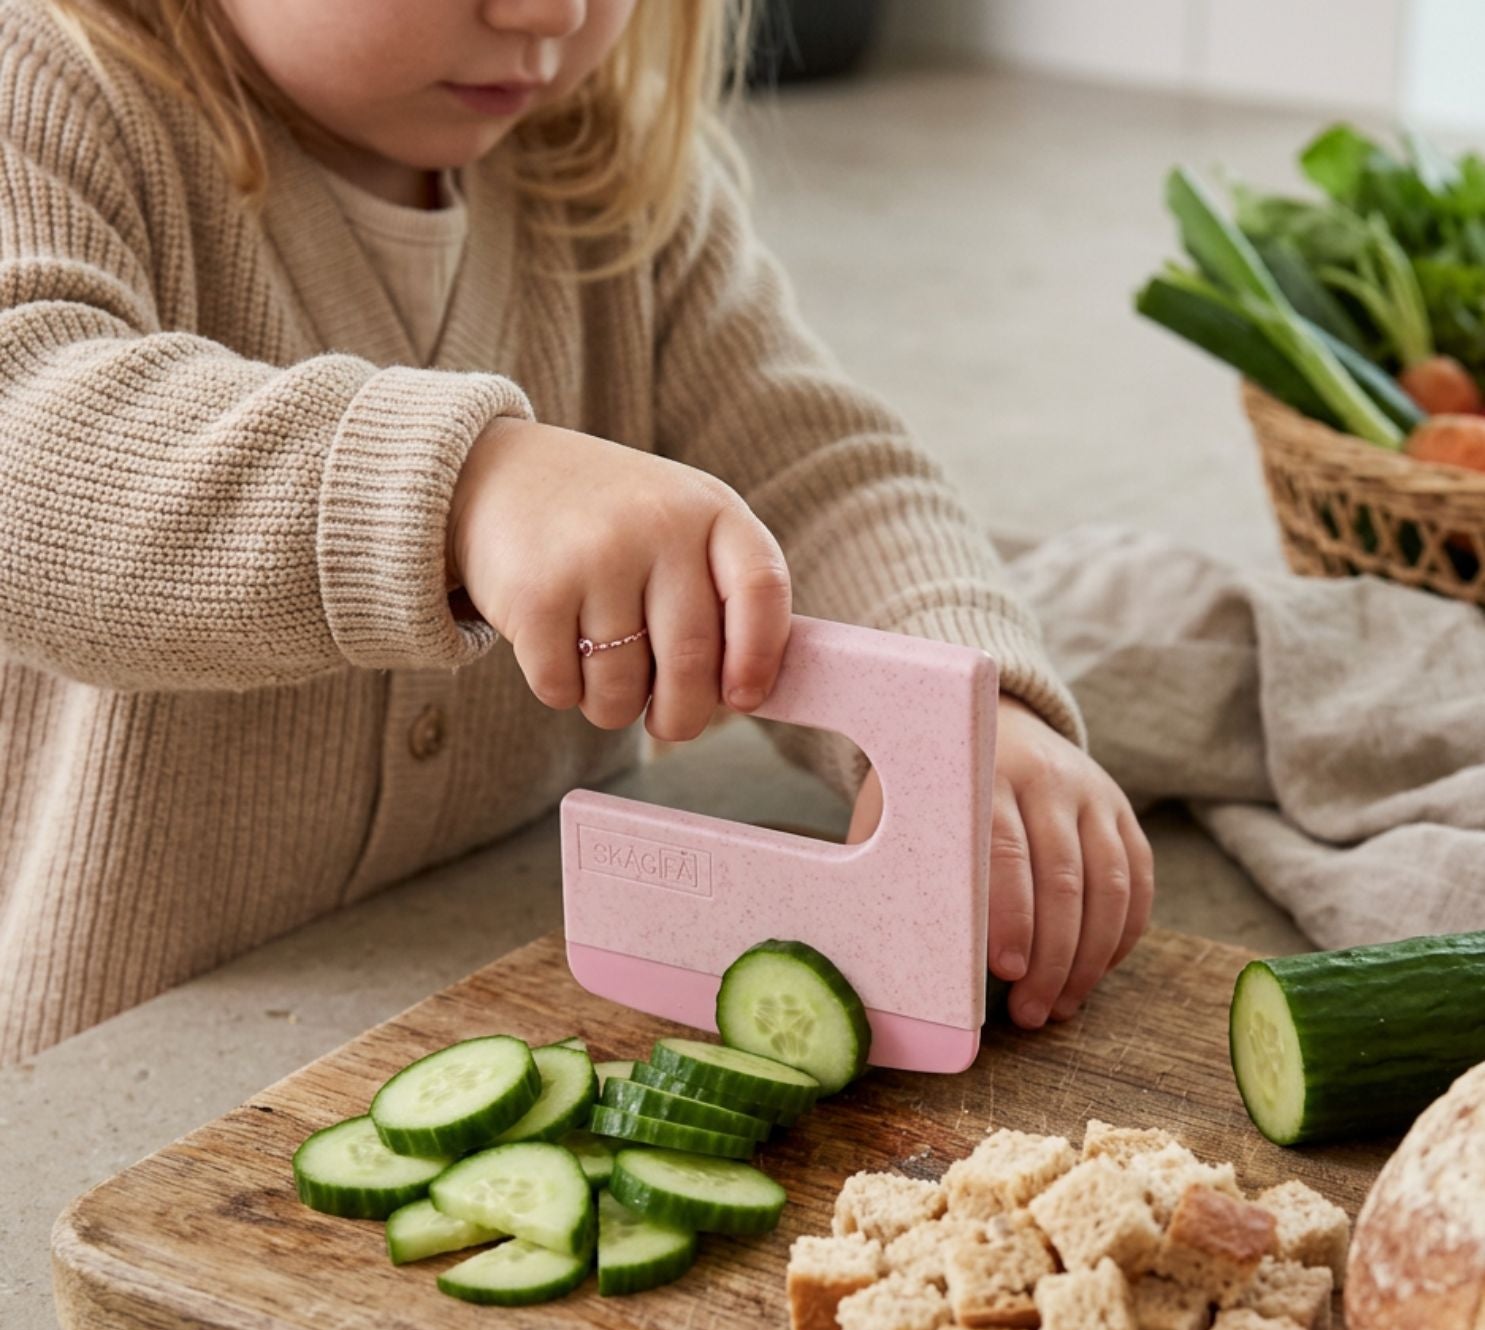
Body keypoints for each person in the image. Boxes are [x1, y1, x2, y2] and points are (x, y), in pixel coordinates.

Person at [0, 0, 1152, 1064]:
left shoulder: (607, 171)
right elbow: (28, 439)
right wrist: (464, 487)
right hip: (118, 1080)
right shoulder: (51, 87)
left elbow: (819, 472)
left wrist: (963, 711)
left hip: (536, 1005)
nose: (549, 13)